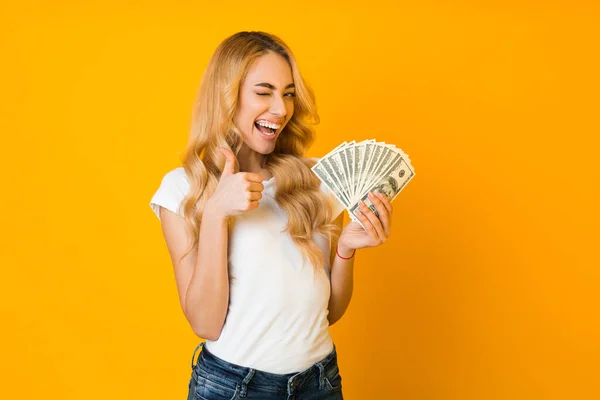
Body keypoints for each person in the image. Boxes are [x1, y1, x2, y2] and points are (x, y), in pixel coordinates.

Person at [149, 31, 393, 400]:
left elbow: (328, 313)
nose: (280, 109)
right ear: (226, 98)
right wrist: (216, 213)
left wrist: (345, 250)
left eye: (288, 93)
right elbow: (205, 323)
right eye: (264, 92)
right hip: (233, 388)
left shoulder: (317, 181)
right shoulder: (184, 189)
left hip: (320, 383)